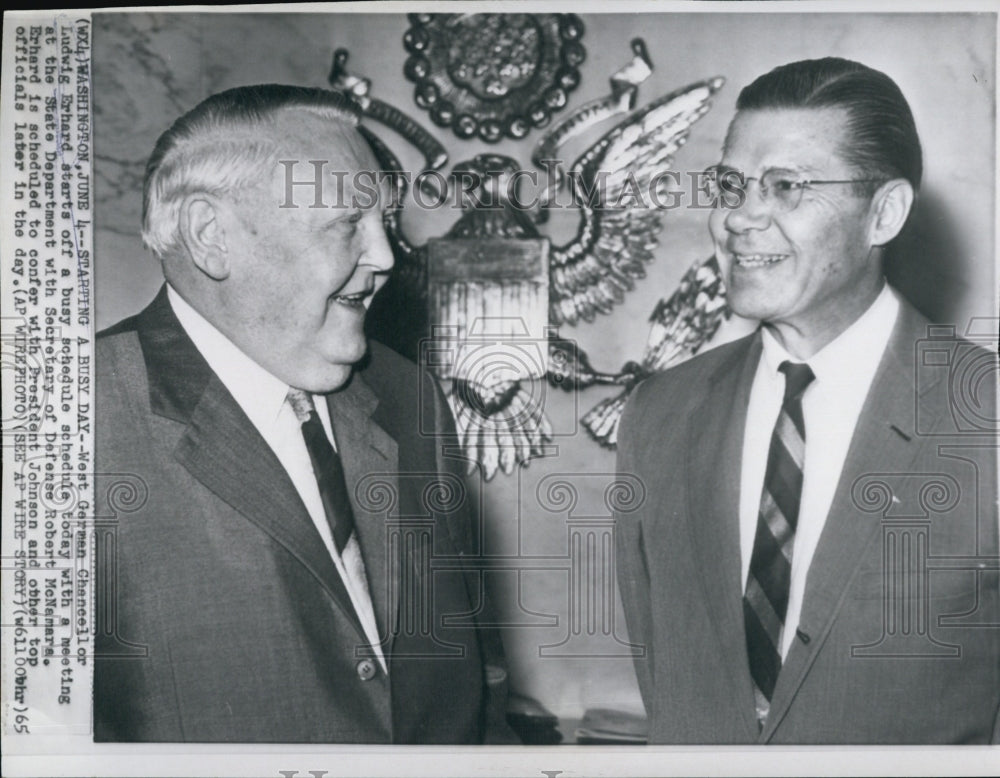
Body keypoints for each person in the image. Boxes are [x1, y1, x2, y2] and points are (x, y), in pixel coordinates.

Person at [94, 84, 512, 743]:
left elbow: (474, 700)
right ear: (212, 236)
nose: (384, 256)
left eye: (384, 222)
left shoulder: (408, 398)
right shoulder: (69, 420)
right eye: (350, 222)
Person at [615, 58, 999, 744]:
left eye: (785, 187)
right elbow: (664, 680)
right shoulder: (658, 415)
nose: (739, 217)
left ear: (884, 213)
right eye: (730, 186)